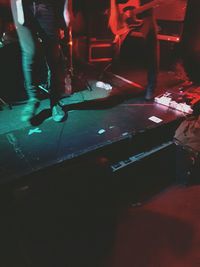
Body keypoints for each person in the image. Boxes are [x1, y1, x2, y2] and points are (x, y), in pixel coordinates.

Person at [10, 0, 71, 122]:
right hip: (22, 6)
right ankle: (33, 98)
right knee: (29, 51)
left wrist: (65, 11)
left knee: (53, 55)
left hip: (46, 4)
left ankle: (55, 101)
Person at [108, 0, 160, 100]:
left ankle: (151, 88)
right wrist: (119, 17)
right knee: (114, 45)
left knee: (152, 49)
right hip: (125, 11)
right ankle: (111, 76)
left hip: (145, 12)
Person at [174, 101, 200, 186]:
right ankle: (187, 179)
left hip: (183, 141)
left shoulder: (189, 121)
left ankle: (184, 179)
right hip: (190, 144)